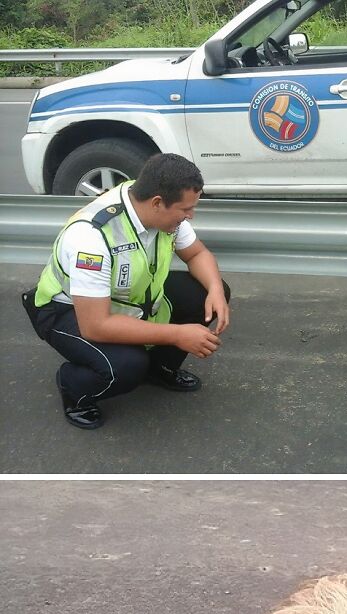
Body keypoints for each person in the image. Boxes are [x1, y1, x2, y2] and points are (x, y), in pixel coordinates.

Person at [22, 153, 231, 430]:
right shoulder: (91, 238)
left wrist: (216, 288)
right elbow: (96, 325)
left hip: (126, 298)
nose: (190, 215)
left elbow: (197, 254)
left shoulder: (154, 202)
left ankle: (159, 370)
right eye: (186, 210)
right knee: (127, 365)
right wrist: (178, 334)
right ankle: (75, 389)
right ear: (158, 203)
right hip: (67, 310)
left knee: (206, 294)